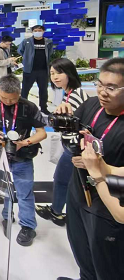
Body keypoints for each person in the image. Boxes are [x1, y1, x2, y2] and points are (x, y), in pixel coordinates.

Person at [54, 58, 124, 280]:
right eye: (100, 84)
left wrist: (99, 169)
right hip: (78, 192)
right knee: (81, 251)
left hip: (107, 205)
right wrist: (65, 118)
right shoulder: (92, 105)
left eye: (111, 88)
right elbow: (71, 139)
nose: (103, 92)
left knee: (106, 263)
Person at [0, 75, 47, 246]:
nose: (8, 102)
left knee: (24, 192)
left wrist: (25, 142)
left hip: (22, 157)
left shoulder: (29, 107)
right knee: (4, 189)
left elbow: (42, 133)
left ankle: (28, 226)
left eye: (12, 99)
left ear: (19, 93)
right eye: (4, 98)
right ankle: (7, 216)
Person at [36, 58, 89, 226]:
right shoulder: (68, 93)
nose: (55, 77)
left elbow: (79, 122)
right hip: (71, 145)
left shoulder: (77, 94)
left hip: (75, 148)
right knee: (63, 179)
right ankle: (57, 210)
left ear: (69, 73)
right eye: (52, 73)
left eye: (59, 73)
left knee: (62, 180)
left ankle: (58, 213)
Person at [19, 25, 54, 114]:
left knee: (43, 90)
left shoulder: (48, 42)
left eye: (39, 30)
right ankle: (23, 108)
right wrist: (27, 59)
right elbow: (20, 50)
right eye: (35, 30)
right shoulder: (26, 41)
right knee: (25, 90)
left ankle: (43, 108)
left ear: (43, 31)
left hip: (43, 70)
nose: (37, 32)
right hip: (29, 70)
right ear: (32, 31)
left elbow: (50, 52)